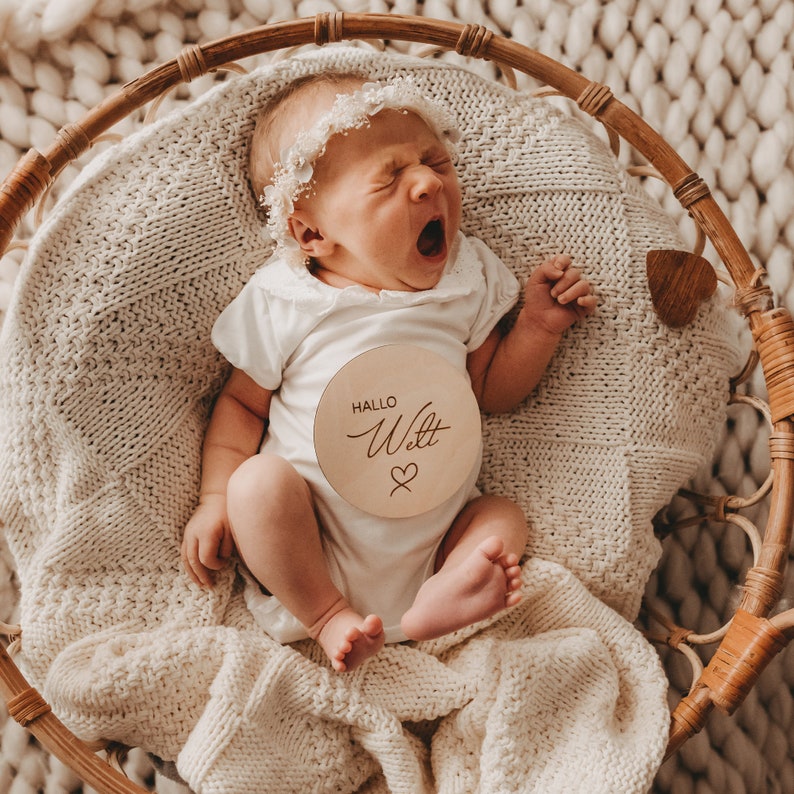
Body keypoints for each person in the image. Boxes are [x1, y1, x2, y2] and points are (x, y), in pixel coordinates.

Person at [181, 71, 596, 672]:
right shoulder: (288, 299)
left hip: (433, 542)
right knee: (257, 487)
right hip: (311, 549)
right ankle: (326, 618)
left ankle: (441, 598)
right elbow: (244, 407)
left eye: (434, 162)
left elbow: (490, 392)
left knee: (503, 516)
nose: (429, 181)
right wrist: (215, 498)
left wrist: (536, 329)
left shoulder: (463, 280)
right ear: (313, 234)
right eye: (390, 177)